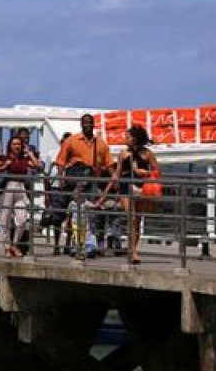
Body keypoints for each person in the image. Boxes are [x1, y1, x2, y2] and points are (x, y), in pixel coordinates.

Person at [55, 113, 113, 257]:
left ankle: (89, 246)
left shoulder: (100, 143)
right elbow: (61, 160)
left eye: (90, 122)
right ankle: (76, 245)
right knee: (76, 215)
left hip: (93, 182)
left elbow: (109, 163)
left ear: (94, 124)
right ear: (81, 124)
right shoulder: (72, 140)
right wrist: (61, 177)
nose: (87, 125)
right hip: (76, 182)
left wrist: (114, 179)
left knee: (91, 216)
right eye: (85, 122)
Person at [100, 125, 160, 265]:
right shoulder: (123, 154)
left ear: (135, 139)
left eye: (127, 137)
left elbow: (157, 172)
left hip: (140, 188)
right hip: (125, 188)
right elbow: (117, 174)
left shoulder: (147, 154)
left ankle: (133, 249)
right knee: (131, 217)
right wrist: (104, 195)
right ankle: (133, 252)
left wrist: (142, 172)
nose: (125, 140)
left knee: (137, 220)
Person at [0, 136, 42, 256]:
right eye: (14, 144)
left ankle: (15, 244)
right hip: (8, 186)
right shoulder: (4, 157)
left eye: (19, 144)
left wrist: (29, 153)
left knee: (22, 218)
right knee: (5, 218)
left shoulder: (24, 159)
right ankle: (7, 246)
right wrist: (4, 166)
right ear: (10, 145)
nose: (17, 146)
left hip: (21, 187)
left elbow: (38, 166)